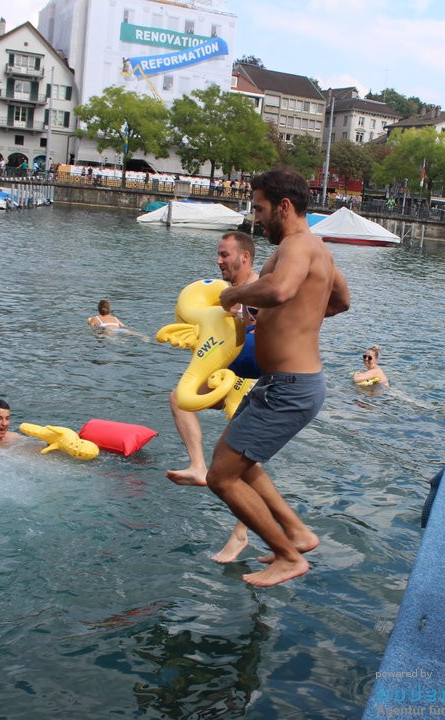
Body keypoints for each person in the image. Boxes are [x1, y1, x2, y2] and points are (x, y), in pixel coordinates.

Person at [204, 168, 350, 587]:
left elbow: (282, 289)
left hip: (289, 387)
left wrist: (234, 294)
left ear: (284, 207)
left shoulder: (298, 246)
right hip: (282, 383)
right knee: (238, 463)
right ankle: (298, 534)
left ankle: (288, 557)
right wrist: (292, 317)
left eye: (261, 208)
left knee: (220, 477)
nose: (257, 218)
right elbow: (341, 300)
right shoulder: (315, 249)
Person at [166, 231, 260, 562]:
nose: (218, 261)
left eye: (224, 255)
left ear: (245, 257)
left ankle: (241, 533)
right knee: (179, 398)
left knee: (241, 457)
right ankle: (197, 466)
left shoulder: (260, 291)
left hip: (256, 380)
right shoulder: (224, 296)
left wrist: (245, 320)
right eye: (217, 255)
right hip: (229, 374)